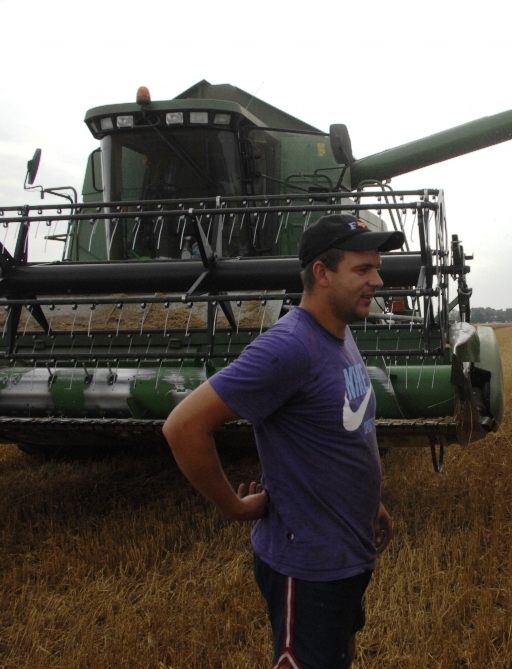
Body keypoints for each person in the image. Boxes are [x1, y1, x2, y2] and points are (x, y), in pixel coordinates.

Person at [163, 214, 405, 669]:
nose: (378, 280)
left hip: (345, 553)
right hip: (307, 567)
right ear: (321, 273)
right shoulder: (288, 347)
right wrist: (232, 507)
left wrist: (370, 502)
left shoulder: (340, 333)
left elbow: (344, 433)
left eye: (376, 267)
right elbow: (183, 426)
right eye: (362, 269)